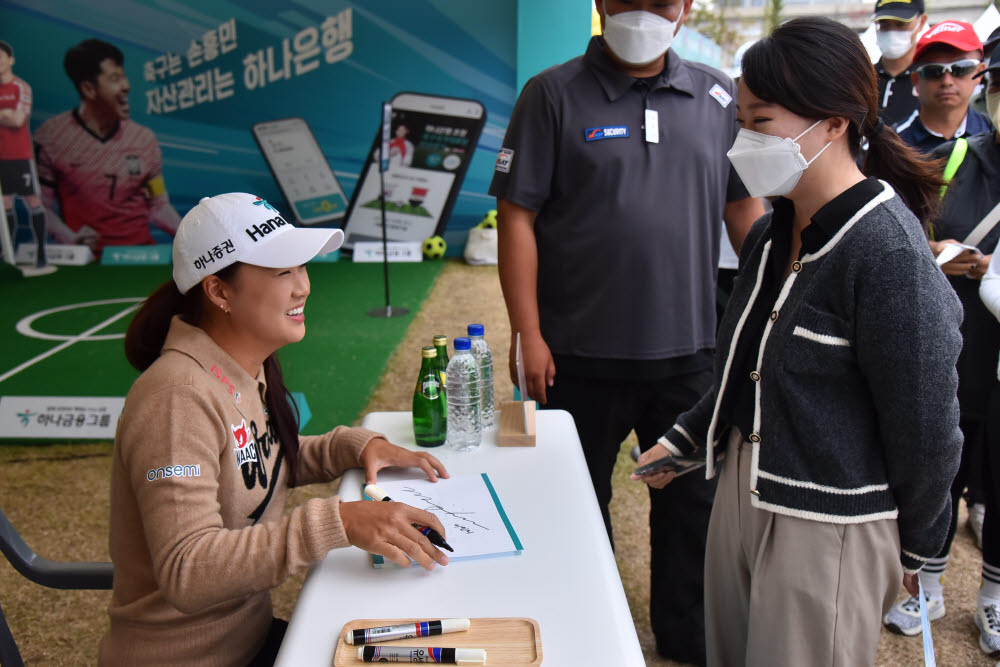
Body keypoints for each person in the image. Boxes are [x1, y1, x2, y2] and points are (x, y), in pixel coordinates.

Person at [633, 17, 963, 665]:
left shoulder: (886, 251)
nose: (742, 140)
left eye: (760, 121)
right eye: (741, 120)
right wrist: (686, 437)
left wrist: (924, 548)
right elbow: (745, 362)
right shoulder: (769, 230)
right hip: (740, 493)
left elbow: (926, 423)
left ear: (833, 123)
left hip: (826, 525)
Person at [489, 0, 763, 662]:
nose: (641, 11)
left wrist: (771, 302)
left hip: (692, 350)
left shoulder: (718, 95)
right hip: (576, 352)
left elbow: (743, 207)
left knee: (692, 505)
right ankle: (588, 627)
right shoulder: (550, 94)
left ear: (686, 7)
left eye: (660, 0)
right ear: (600, 3)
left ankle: (686, 632)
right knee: (575, 502)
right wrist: (528, 331)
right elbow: (516, 215)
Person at [98, 193, 452, 666]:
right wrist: (339, 522)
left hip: (250, 639)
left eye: (302, 268)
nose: (303, 287)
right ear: (219, 291)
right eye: (281, 271)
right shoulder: (175, 400)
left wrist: (356, 444)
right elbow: (188, 570)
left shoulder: (238, 365)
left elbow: (261, 464)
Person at [884, 51, 1000, 655]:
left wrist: (990, 268)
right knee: (942, 458)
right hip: (960, 343)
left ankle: (994, 599)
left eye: (967, 71)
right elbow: (914, 231)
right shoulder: (957, 157)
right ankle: (924, 582)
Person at [34, 38, 181, 255]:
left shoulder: (144, 139)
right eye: (115, 78)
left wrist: (189, 235)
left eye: (124, 76)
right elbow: (40, 207)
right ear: (89, 89)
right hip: (87, 261)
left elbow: (158, 205)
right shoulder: (51, 137)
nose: (126, 86)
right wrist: (70, 239)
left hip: (139, 255)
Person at [0, 39, 54, 275]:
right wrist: (5, 113)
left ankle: (42, 255)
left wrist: (9, 115)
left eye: (1, 57)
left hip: (20, 156)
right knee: (5, 205)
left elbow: (17, 120)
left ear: (10, 60)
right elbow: (8, 117)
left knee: (32, 201)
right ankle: (8, 256)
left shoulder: (21, 87)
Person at [896, 20, 990, 154]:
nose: (947, 81)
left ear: (979, 72)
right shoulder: (890, 145)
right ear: (915, 79)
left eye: (961, 68)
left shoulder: (994, 134)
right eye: (933, 71)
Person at [872, 0, 927, 129]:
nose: (892, 32)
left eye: (901, 24)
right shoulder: (861, 78)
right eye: (884, 24)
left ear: (921, 22)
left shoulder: (930, 78)